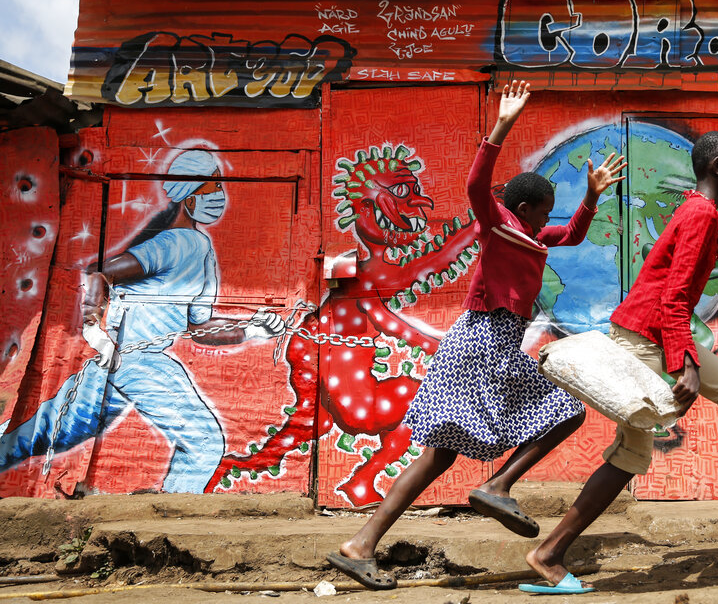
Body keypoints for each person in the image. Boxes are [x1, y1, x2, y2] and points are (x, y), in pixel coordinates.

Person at [326, 81, 626, 590]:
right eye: (546, 209)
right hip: (485, 339)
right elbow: (475, 185)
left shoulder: (531, 236)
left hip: (479, 342)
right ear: (529, 207)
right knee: (566, 411)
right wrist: (502, 127)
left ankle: (360, 544)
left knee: (438, 453)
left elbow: (571, 234)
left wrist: (593, 196)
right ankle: (498, 484)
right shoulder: (500, 222)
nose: (548, 219)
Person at [519, 131, 718, 595]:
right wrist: (687, 365)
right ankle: (549, 553)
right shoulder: (700, 214)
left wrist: (682, 355)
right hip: (649, 339)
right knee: (650, 444)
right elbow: (675, 298)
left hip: (652, 334)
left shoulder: (699, 211)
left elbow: (672, 292)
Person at [0, 148, 285, 494]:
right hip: (138, 361)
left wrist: (253, 328)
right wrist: (94, 330)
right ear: (188, 199)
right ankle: (169, 514)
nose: (218, 196)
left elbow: (198, 330)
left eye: (218, 186)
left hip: (120, 363)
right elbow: (98, 275)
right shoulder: (175, 243)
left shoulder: (200, 249)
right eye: (211, 188)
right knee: (204, 443)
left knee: (39, 436)